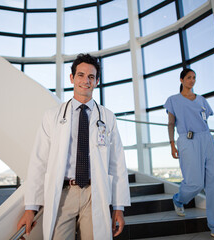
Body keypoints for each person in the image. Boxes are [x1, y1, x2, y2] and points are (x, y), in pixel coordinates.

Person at [17, 53, 131, 240]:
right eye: (80, 75)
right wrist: (31, 208)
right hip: (63, 194)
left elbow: (117, 163)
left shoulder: (108, 117)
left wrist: (119, 207)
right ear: (72, 78)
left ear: (97, 82)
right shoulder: (52, 116)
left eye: (91, 77)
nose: (85, 81)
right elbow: (39, 161)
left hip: (94, 194)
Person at [164, 68, 214, 240]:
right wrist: (172, 143)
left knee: (213, 184)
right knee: (195, 183)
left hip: (206, 139)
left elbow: (205, 121)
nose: (192, 80)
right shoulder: (173, 100)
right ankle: (179, 200)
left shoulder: (201, 100)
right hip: (187, 140)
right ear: (181, 80)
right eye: (188, 78)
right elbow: (171, 124)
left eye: (194, 78)